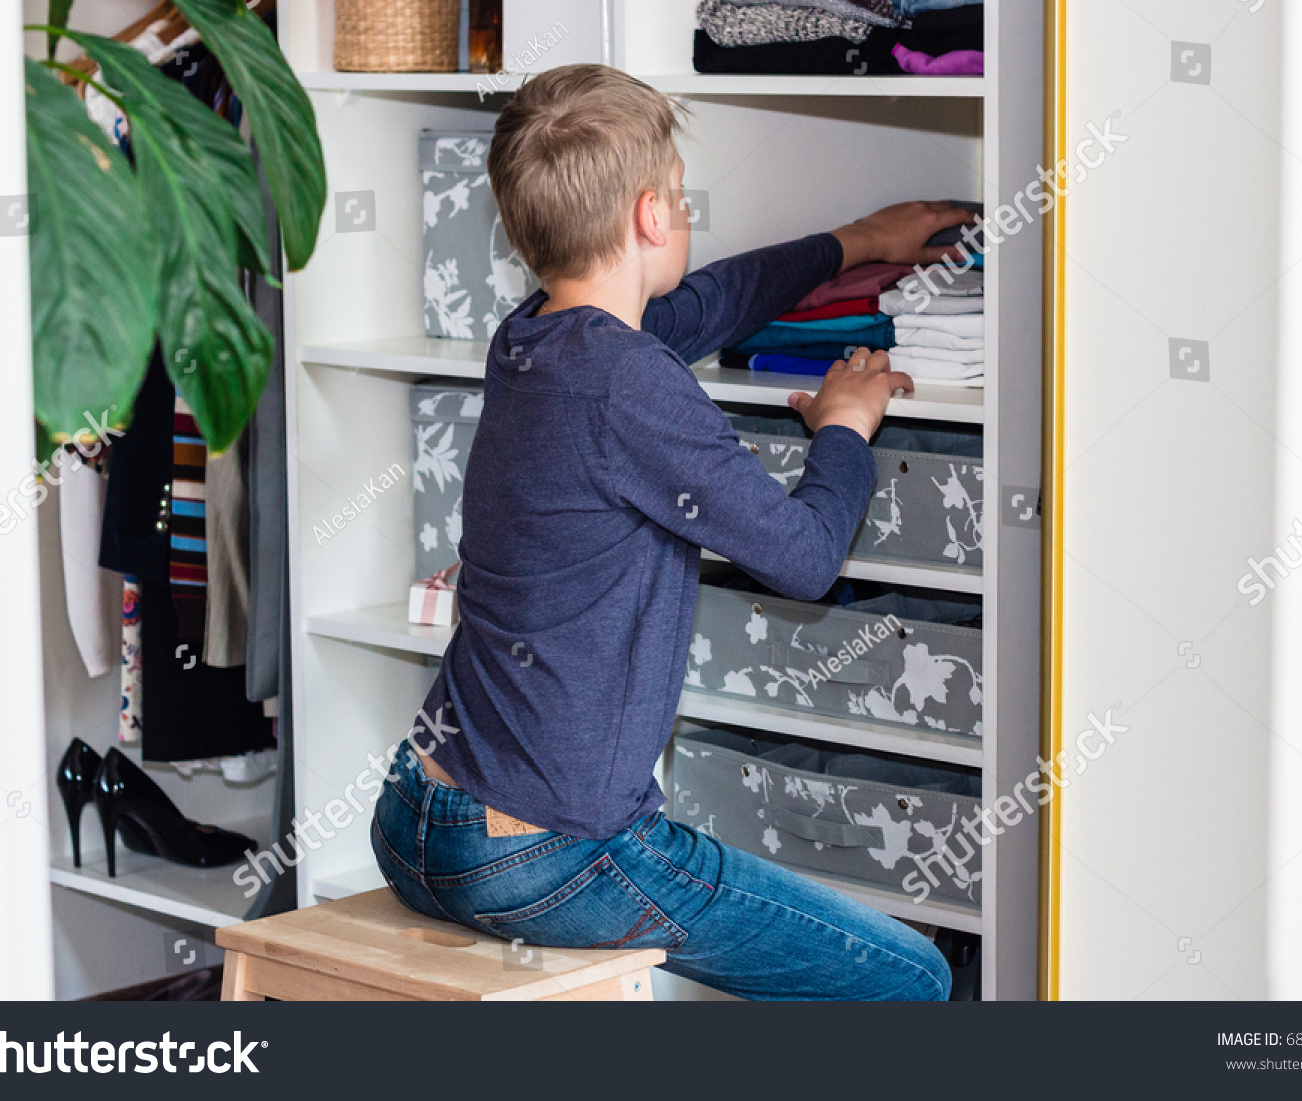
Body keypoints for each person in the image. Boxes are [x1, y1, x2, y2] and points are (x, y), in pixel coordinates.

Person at [372, 63, 977, 1000]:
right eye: (686, 201)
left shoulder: (529, 336)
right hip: (546, 854)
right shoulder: (632, 384)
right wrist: (845, 430)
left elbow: (705, 305)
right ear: (654, 217)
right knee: (914, 976)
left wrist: (854, 241)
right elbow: (804, 558)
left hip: (416, 816)